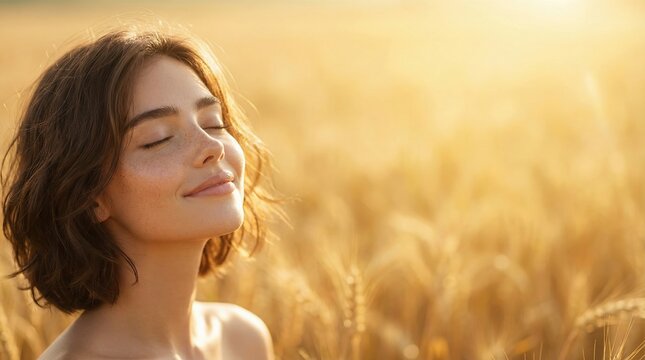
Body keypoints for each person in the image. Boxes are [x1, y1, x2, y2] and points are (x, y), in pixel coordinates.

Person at [1, 24, 279, 359]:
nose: (212, 147)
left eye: (213, 123)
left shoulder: (243, 339)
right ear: (90, 196)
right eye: (158, 138)